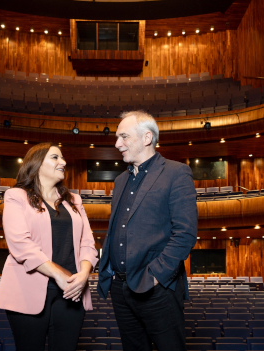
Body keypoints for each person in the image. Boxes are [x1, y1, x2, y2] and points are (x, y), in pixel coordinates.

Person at [97, 111, 198, 351]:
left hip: (157, 288)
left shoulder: (176, 173)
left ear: (146, 138)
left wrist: (155, 276)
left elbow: (184, 234)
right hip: (120, 289)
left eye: (123, 136)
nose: (117, 144)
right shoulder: (120, 180)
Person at [0, 142, 98, 351]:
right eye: (55, 157)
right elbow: (20, 244)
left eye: (63, 157)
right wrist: (58, 274)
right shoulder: (16, 196)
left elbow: (87, 243)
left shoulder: (75, 201)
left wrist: (84, 273)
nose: (63, 162)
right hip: (28, 289)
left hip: (71, 289)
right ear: (37, 163)